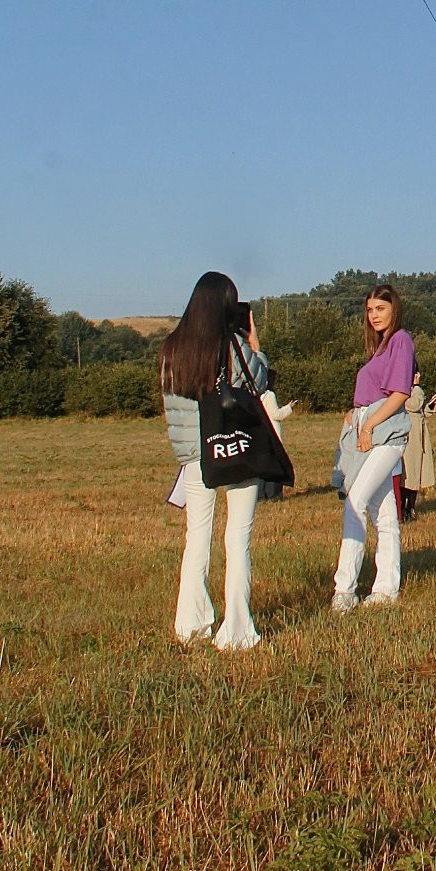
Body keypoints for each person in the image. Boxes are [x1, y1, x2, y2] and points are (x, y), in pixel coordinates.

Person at [160, 272, 271, 652]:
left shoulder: (172, 350)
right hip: (237, 447)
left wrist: (188, 452)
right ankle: (237, 628)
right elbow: (260, 382)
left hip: (195, 456)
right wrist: (255, 345)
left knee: (197, 539)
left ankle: (190, 623)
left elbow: (173, 409)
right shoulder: (235, 346)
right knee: (237, 537)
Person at [331, 285, 416, 612]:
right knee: (384, 514)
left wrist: (368, 425)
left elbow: (399, 393)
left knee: (355, 501)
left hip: (386, 433)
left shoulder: (400, 340)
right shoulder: (380, 346)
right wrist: (356, 415)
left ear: (394, 308)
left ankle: (345, 589)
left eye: (380, 308)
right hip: (371, 427)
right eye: (370, 310)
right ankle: (386, 588)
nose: (374, 315)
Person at [401, 373, 436, 517]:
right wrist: (416, 387)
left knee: (417, 473)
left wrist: (430, 406)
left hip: (418, 436)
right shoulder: (403, 390)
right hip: (409, 437)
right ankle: (404, 508)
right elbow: (414, 405)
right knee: (409, 474)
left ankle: (411, 507)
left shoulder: (412, 391)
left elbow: (419, 412)